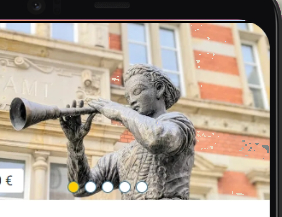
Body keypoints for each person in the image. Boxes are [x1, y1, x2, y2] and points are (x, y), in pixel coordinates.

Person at [61, 65, 196, 199]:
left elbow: (156, 139)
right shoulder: (122, 156)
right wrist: (75, 144)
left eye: (137, 91)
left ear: (159, 89)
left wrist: (120, 111)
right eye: (128, 97)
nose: (131, 101)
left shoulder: (178, 124)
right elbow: (79, 188)